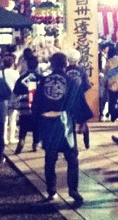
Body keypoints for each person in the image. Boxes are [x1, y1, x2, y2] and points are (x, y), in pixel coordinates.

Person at [33, 52, 93, 205]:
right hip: (65, 123)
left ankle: (52, 190)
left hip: (47, 123)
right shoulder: (71, 81)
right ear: (66, 64)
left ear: (52, 64)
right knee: (72, 157)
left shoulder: (44, 81)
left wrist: (36, 126)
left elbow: (36, 104)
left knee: (50, 158)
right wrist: (82, 121)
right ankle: (73, 189)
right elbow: (78, 102)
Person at [12, 55, 40, 154]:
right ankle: (35, 144)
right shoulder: (40, 78)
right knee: (37, 125)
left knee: (23, 124)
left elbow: (15, 92)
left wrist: (14, 104)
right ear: (37, 66)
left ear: (27, 65)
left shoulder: (22, 78)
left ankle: (21, 140)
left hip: (24, 105)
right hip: (37, 106)